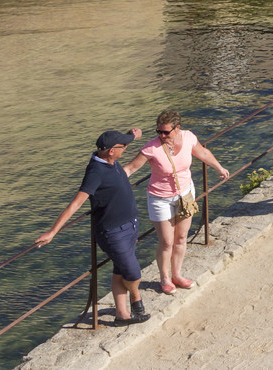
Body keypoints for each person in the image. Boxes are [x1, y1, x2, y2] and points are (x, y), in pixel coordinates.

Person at [36, 129, 152, 324]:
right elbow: (76, 203)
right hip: (113, 232)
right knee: (132, 273)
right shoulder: (95, 173)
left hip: (130, 225)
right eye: (122, 146)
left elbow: (124, 141)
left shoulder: (110, 158)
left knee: (120, 270)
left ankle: (122, 315)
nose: (126, 148)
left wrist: (132, 135)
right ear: (111, 151)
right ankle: (136, 299)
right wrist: (53, 232)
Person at [124, 109, 229, 294]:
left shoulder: (188, 137)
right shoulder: (151, 148)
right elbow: (130, 169)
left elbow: (203, 153)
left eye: (166, 132)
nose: (162, 135)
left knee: (181, 238)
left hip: (185, 194)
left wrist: (219, 167)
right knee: (166, 241)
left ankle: (177, 275)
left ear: (177, 128)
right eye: (159, 131)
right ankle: (164, 278)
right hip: (160, 198)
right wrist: (107, 183)